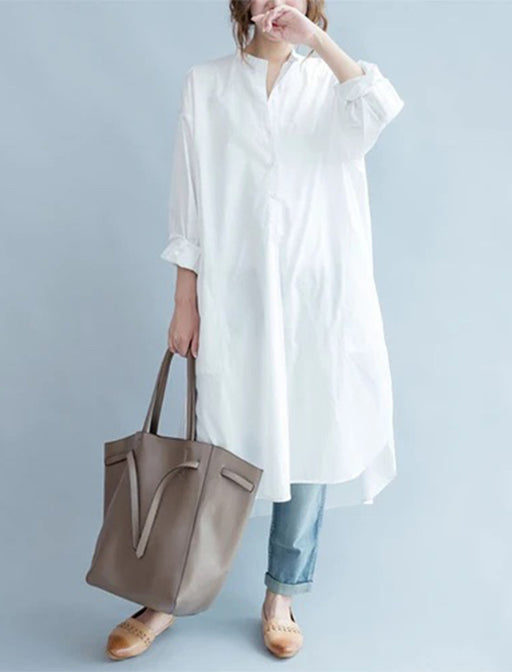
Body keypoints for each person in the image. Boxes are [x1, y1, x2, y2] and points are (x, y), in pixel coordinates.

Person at [105, 0, 404, 661]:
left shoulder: (331, 83)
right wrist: (185, 299)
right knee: (217, 441)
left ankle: (282, 596)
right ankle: (167, 594)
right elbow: (188, 197)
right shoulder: (206, 84)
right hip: (235, 293)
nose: (275, 3)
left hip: (317, 297)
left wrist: (316, 41)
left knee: (312, 433)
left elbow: (378, 109)